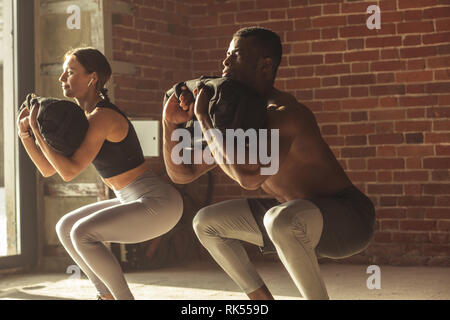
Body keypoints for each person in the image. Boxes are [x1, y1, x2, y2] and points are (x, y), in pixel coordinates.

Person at [162, 27, 375, 300]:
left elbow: (250, 178)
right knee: (206, 222)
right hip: (290, 217)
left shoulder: (285, 114)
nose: (225, 63)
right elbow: (182, 174)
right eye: (226, 55)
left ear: (265, 64)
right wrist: (169, 124)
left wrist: (203, 118)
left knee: (281, 220)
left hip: (347, 219)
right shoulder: (235, 119)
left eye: (235, 56)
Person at [17, 47, 183, 300]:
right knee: (66, 226)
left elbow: (69, 172)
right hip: (131, 199)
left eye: (70, 72)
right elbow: (49, 168)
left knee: (81, 233)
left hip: (158, 204)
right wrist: (26, 135)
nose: (62, 79)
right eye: (63, 73)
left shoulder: (102, 117)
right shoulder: (83, 118)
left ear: (92, 78)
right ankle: (105, 296)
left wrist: (38, 133)